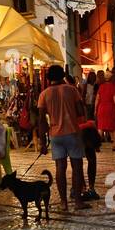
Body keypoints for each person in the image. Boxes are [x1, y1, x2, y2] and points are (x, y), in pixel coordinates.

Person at [37, 64, 85, 211]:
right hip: (72, 132)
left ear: (48, 78)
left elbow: (41, 120)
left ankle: (63, 203)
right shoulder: (71, 90)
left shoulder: (44, 94)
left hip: (55, 135)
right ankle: (77, 201)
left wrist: (42, 141)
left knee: (60, 168)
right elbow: (80, 111)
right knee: (77, 168)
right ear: (63, 74)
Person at [95, 67, 115, 149]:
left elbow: (97, 99)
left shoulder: (101, 87)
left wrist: (95, 109)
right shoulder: (113, 87)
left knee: (100, 127)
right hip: (111, 108)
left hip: (101, 108)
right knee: (114, 127)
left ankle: (97, 145)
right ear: (111, 78)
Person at [79, 119, 102, 200]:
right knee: (78, 162)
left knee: (88, 160)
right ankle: (84, 187)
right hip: (77, 130)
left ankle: (88, 188)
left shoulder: (92, 129)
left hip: (86, 129)